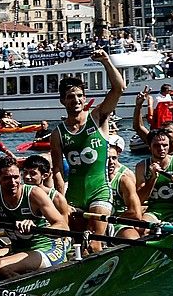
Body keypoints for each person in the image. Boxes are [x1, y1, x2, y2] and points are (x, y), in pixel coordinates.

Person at [49, 51, 124, 231]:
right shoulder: (57, 133)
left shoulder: (98, 117)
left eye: (79, 96)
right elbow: (57, 170)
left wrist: (106, 61)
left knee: (94, 243)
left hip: (100, 191)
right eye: (70, 96)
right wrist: (61, 199)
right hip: (74, 195)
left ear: (84, 98)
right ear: (62, 101)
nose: (75, 100)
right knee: (76, 242)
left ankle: (106, 235)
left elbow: (119, 89)